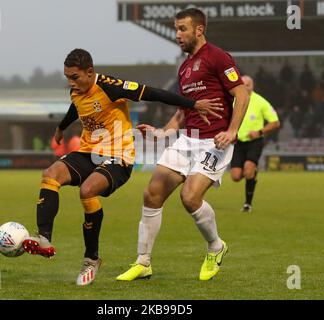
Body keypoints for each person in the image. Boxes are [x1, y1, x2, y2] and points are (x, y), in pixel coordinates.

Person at [21, 48, 223, 286]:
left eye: (74, 77)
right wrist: (61, 127)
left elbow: (154, 93)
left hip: (119, 158)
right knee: (50, 175)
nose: (70, 82)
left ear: (90, 72)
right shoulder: (76, 91)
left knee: (87, 191)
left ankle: (91, 259)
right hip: (89, 152)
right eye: (67, 77)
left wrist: (193, 104)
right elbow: (76, 108)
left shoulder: (110, 86)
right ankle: (44, 237)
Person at [116, 8, 249, 282]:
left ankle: (216, 246)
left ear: (199, 29)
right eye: (176, 29)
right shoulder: (185, 67)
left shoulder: (217, 56)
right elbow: (183, 111)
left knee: (189, 197)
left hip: (215, 142)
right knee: (152, 193)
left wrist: (232, 130)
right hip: (187, 139)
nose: (178, 34)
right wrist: (162, 132)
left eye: (182, 29)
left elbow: (242, 94)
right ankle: (143, 262)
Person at [230, 75, 280, 213]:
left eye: (248, 84)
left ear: (252, 86)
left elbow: (275, 122)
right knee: (235, 176)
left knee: (248, 169)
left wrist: (259, 132)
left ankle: (247, 204)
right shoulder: (233, 99)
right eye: (243, 84)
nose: (245, 87)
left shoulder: (261, 102)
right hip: (237, 142)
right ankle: (251, 174)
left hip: (254, 142)